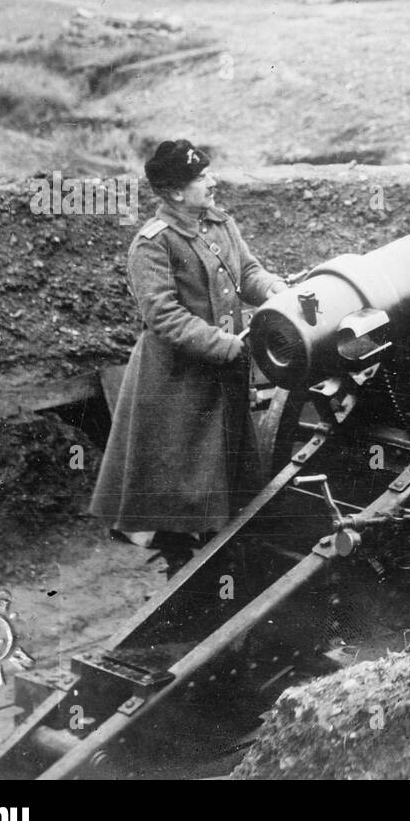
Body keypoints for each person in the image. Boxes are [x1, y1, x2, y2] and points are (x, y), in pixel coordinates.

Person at [90, 141, 287, 574]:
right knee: (181, 485)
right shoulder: (152, 244)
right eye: (202, 178)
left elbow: (247, 273)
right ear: (177, 192)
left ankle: (226, 567)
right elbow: (163, 315)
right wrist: (223, 345)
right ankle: (182, 572)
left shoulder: (219, 224)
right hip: (176, 382)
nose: (212, 182)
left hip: (224, 374)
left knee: (226, 479)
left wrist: (272, 287)